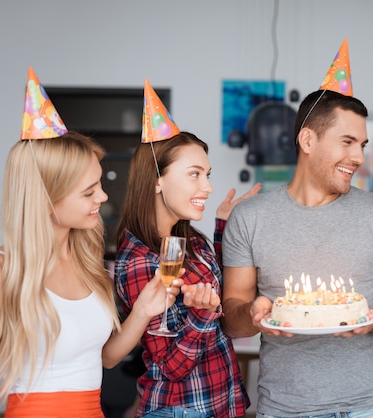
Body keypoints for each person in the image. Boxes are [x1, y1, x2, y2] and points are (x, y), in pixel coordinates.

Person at [221, 39, 373, 418]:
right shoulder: (250, 218)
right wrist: (254, 314)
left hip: (363, 409)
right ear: (307, 139)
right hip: (282, 409)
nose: (358, 157)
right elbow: (232, 319)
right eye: (347, 142)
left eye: (362, 144)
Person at [0, 69, 182, 417]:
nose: (102, 196)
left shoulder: (87, 263)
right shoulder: (6, 270)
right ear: (45, 199)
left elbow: (105, 358)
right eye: (88, 191)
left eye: (99, 183)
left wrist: (143, 310)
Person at [114, 80, 258, 418]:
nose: (207, 187)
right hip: (180, 410)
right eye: (194, 174)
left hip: (220, 402)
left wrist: (223, 226)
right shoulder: (138, 262)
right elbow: (170, 367)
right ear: (156, 180)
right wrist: (203, 315)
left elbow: (216, 284)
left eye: (207, 174)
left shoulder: (189, 240)